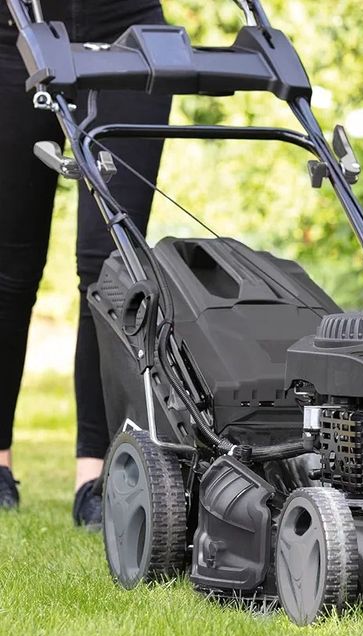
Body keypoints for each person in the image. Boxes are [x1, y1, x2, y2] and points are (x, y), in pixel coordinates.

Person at [0, 0, 171, 527]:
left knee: (110, 274)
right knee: (8, 269)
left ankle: (97, 478)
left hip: (129, 33)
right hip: (13, 30)